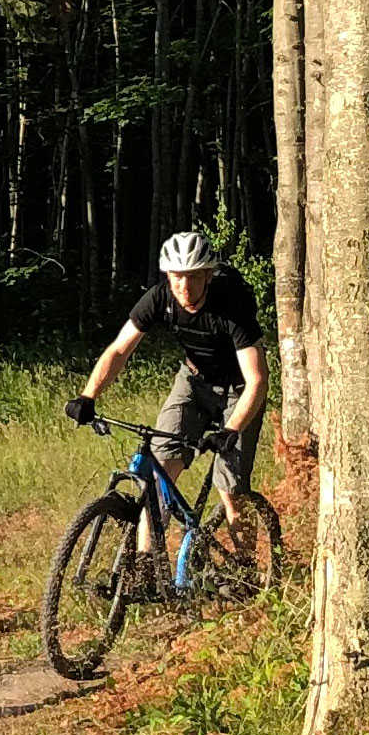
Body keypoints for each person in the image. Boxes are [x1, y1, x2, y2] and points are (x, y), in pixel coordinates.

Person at [65, 231, 270, 550]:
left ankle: (246, 573)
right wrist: (88, 396)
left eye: (191, 278)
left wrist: (232, 429)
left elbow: (257, 380)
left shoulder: (232, 303)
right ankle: (148, 567)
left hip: (239, 390)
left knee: (230, 487)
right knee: (158, 475)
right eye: (176, 278)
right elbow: (120, 350)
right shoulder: (159, 298)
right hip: (193, 381)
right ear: (167, 276)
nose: (183, 288)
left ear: (206, 274)